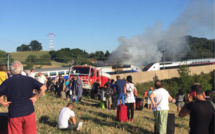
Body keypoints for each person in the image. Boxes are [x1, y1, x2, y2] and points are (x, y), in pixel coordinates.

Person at [0, 61, 47, 134]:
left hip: (14, 113)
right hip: (29, 112)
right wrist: (36, 97)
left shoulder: (7, 82)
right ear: (21, 69)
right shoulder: (29, 79)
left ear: (11, 70)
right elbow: (43, 88)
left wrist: (3, 103)